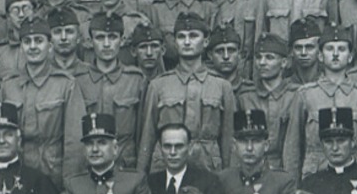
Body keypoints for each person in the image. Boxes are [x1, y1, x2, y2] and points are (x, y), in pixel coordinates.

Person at [137, 12, 238, 174]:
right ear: (175, 43)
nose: (187, 41)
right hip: (166, 165)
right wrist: (141, 178)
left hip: (208, 167)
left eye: (193, 36)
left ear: (205, 41)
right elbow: (147, 138)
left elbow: (228, 140)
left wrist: (229, 178)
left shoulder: (222, 86)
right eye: (181, 37)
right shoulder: (158, 85)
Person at [284, 23, 357, 178]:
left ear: (350, 57)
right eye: (330, 49)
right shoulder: (305, 95)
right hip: (315, 175)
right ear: (321, 56)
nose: (335, 54)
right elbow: (293, 149)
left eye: (341, 49)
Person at [3, 14, 85, 183]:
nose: (33, 47)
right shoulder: (8, 86)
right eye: (27, 41)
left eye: (39, 41)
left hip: (53, 174)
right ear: (21, 47)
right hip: (18, 174)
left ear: (50, 46)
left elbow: (74, 142)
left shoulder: (65, 84)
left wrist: (70, 185)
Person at [75, 12, 151, 170]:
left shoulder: (136, 80)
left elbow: (143, 133)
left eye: (113, 37)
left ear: (122, 41)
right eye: (100, 38)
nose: (107, 44)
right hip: (87, 166)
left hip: (125, 165)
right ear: (91, 41)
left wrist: (140, 171)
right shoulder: (78, 81)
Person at [236, 34, 297, 171]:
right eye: (258, 57)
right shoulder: (245, 97)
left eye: (269, 57)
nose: (262, 62)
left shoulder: (296, 96)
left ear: (284, 63)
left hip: (285, 168)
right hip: (253, 168)